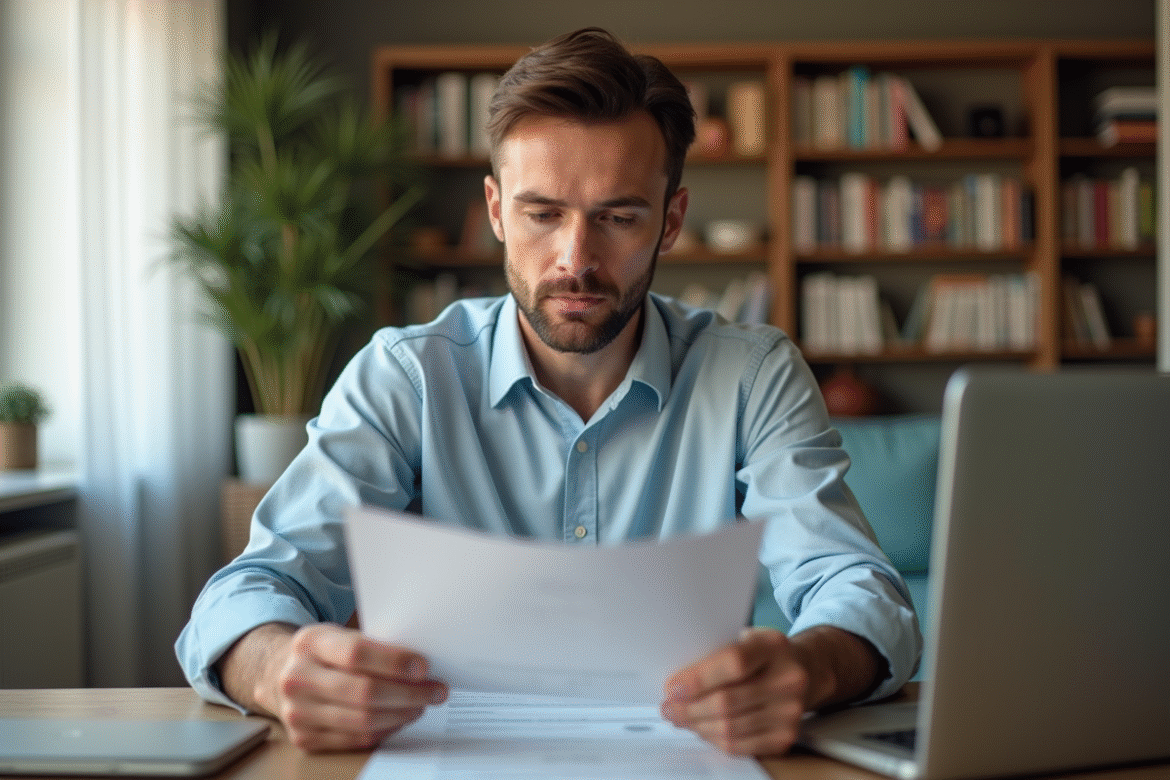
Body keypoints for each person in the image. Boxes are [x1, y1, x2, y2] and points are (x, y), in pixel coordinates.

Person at [176, 27, 920, 757]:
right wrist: (278, 669)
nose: (576, 259)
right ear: (497, 211)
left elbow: (858, 586)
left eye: (619, 217)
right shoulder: (404, 377)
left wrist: (808, 666)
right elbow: (249, 591)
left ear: (671, 221)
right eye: (543, 214)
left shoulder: (753, 375)